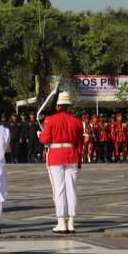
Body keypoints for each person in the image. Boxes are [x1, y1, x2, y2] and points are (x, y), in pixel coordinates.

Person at [39, 92, 83, 234]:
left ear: (57, 105)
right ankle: (71, 222)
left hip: (56, 156)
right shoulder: (77, 121)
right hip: (72, 155)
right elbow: (80, 144)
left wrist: (40, 135)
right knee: (72, 189)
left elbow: (45, 140)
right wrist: (79, 160)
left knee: (58, 190)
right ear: (68, 106)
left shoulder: (50, 120)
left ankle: (61, 222)